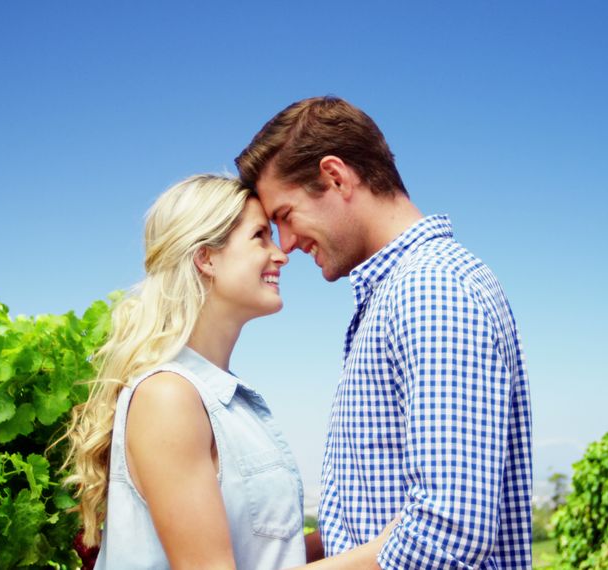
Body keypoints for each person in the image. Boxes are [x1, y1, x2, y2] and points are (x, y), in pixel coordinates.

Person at [234, 96, 533, 569]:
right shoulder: (398, 293)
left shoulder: (432, 289)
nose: (286, 245)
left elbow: (445, 534)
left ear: (335, 177)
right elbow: (370, 523)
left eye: (285, 216)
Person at [62, 174, 392, 570]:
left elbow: (258, 558)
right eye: (260, 237)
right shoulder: (168, 398)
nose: (281, 253)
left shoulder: (222, 399)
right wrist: (388, 549)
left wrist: (361, 534)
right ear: (207, 258)